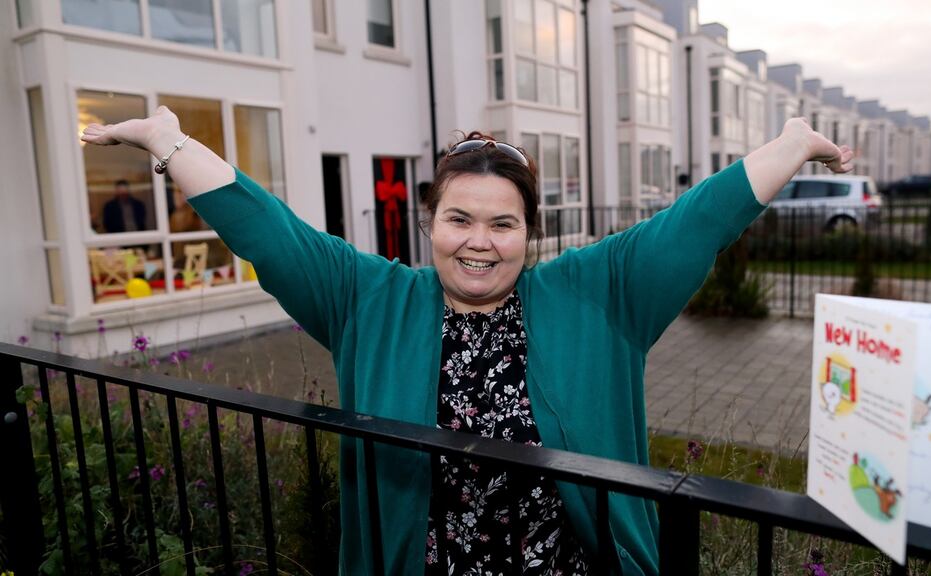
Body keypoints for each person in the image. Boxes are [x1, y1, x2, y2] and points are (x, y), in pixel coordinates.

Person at [82, 106, 852, 575]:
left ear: (529, 233)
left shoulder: (595, 294)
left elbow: (695, 223)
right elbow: (270, 233)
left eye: (502, 223)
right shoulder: (369, 300)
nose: (479, 241)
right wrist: (169, 143)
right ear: (431, 223)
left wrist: (789, 146)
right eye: (459, 219)